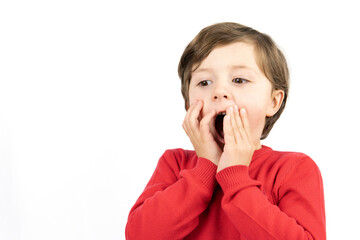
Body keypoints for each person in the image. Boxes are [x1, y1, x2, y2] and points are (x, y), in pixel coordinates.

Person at [125, 22, 326, 240]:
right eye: (204, 82)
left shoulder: (294, 169)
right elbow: (139, 234)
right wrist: (205, 168)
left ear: (273, 101)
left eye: (239, 80)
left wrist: (236, 176)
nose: (219, 91)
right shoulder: (174, 163)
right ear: (188, 104)